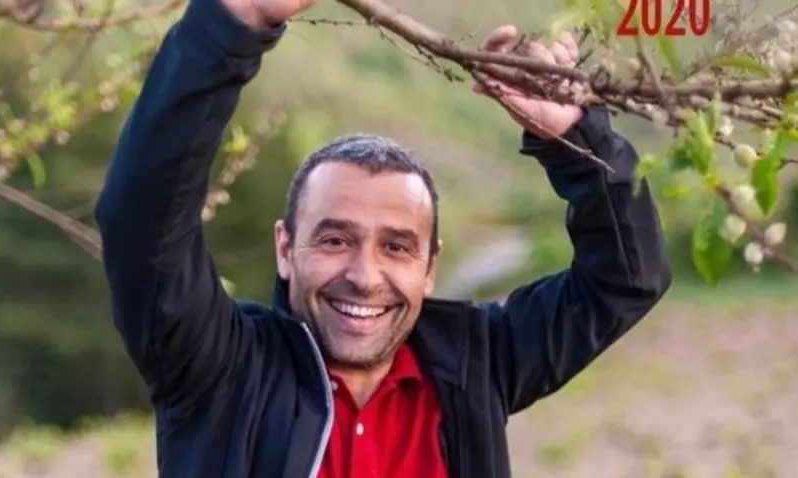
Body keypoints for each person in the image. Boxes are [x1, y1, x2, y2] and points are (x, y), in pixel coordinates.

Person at [94, 0, 673, 476]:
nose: (365, 276)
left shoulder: (478, 362)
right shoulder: (219, 369)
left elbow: (627, 277)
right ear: (285, 249)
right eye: (334, 240)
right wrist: (230, 24)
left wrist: (574, 138)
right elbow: (140, 222)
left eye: (396, 247)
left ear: (430, 267)